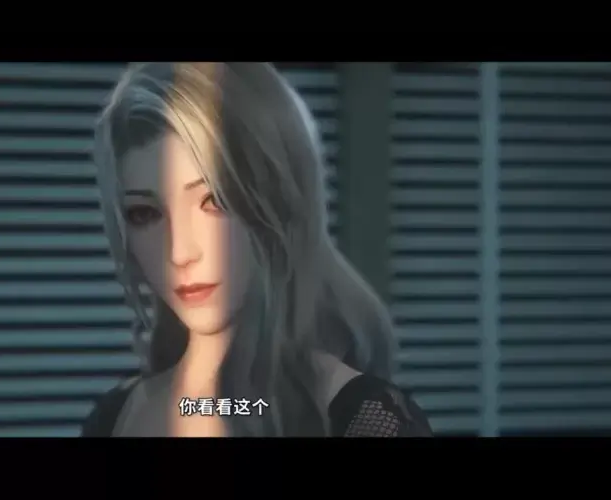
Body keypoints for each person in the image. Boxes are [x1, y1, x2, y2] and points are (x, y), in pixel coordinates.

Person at [81, 62, 432, 437]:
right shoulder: (117, 415)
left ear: (279, 199)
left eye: (214, 200)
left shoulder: (367, 420)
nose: (180, 253)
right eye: (145, 214)